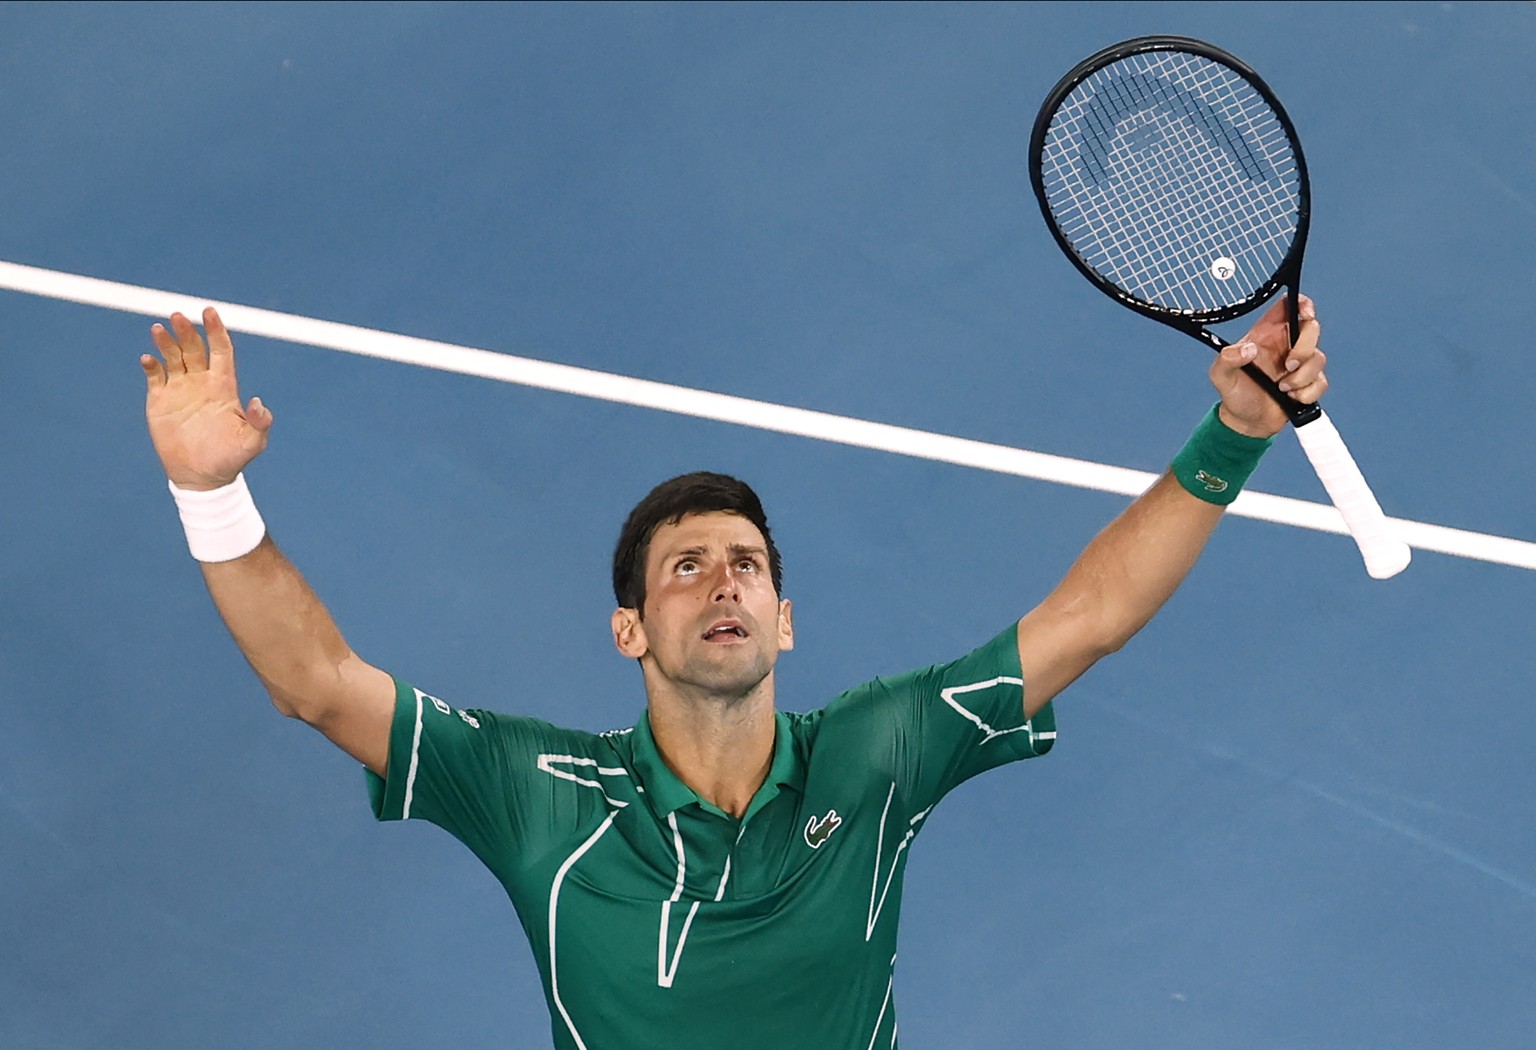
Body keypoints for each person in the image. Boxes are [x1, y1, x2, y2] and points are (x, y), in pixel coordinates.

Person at [140, 295, 1326, 1049]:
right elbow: (318, 683)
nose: (722, 584)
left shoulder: (880, 752)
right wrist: (212, 492)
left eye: (748, 566)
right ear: (631, 632)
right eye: (686, 569)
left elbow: (1091, 615)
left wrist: (1233, 436)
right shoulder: (538, 795)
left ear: (785, 619)